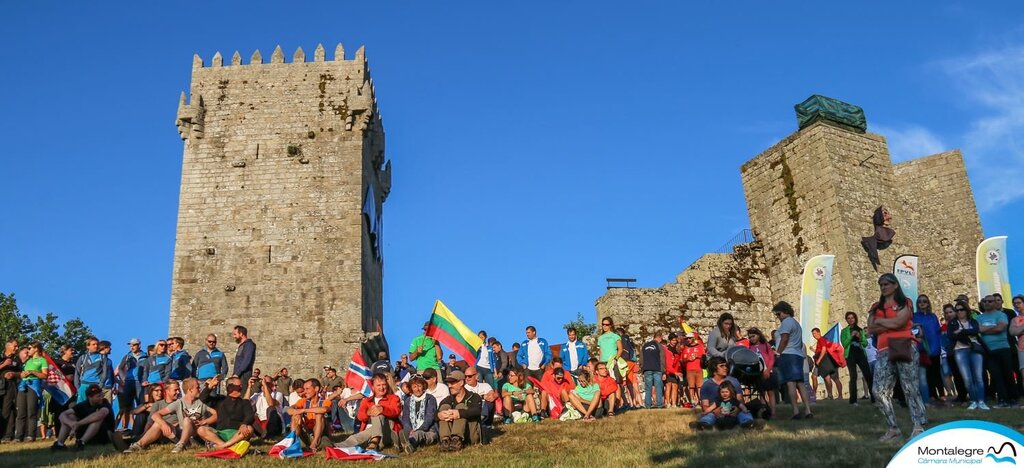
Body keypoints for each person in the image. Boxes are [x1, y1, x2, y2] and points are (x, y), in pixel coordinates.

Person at [867, 273, 927, 441]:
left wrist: (881, 323)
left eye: (887, 284)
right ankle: (893, 427)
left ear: (895, 285)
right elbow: (871, 328)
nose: (883, 287)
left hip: (904, 344)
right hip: (883, 349)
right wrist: (890, 324)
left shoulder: (904, 302)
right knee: (878, 390)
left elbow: (900, 322)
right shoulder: (875, 306)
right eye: (881, 285)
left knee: (910, 387)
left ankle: (918, 425)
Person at [123, 379, 209, 454]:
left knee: (158, 424)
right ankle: (137, 444)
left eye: (179, 390)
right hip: (160, 432)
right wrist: (163, 424)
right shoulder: (158, 404)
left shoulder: (180, 403)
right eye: (175, 390)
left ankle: (136, 443)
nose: (178, 392)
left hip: (176, 432)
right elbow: (150, 421)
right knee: (155, 422)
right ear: (167, 391)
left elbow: (187, 421)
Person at [337, 374, 403, 452]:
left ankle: (375, 440)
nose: (382, 388)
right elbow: (360, 417)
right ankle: (339, 445)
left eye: (384, 385)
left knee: (377, 412)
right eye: (378, 385)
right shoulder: (367, 400)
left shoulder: (393, 398)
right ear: (373, 387)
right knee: (365, 431)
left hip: (387, 430)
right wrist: (368, 413)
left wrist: (383, 409)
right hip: (368, 432)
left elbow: (396, 412)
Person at [773, 301, 813, 420]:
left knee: (790, 383)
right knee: (800, 383)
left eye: (778, 314)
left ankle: (795, 411)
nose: (778, 317)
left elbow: (784, 339)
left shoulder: (786, 322)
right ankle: (808, 410)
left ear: (785, 311)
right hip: (797, 355)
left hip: (787, 355)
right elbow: (799, 342)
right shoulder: (796, 324)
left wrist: (778, 352)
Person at [693, 357, 754, 430]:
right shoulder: (706, 385)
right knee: (709, 417)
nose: (725, 368)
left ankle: (746, 423)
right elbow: (705, 406)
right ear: (714, 369)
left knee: (745, 414)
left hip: (734, 411)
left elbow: (740, 400)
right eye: (722, 366)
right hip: (715, 413)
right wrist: (715, 411)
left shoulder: (734, 381)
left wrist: (737, 410)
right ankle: (704, 424)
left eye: (726, 365)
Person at [196, 375, 255, 449]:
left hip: (237, 433)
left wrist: (244, 424)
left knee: (249, 429)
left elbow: (250, 416)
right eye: (239, 386)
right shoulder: (220, 400)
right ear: (230, 387)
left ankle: (223, 446)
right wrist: (210, 386)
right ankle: (227, 445)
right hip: (221, 434)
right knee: (201, 430)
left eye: (241, 386)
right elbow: (203, 398)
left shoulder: (244, 402)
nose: (241, 388)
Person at [52, 384, 116, 451]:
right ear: (90, 397)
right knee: (70, 416)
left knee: (97, 419)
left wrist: (78, 424)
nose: (101, 398)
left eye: (101, 395)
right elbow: (62, 415)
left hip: (103, 435)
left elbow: (102, 413)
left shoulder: (104, 403)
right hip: (88, 433)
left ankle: (81, 443)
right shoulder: (84, 405)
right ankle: (60, 444)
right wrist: (71, 423)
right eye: (98, 396)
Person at [948, 301, 987, 409]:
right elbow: (951, 336)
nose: (959, 312)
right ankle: (973, 400)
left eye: (961, 309)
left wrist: (961, 332)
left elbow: (976, 331)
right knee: (967, 378)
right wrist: (966, 332)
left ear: (966, 310)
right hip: (960, 350)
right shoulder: (952, 323)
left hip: (974, 350)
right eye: (957, 310)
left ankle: (981, 401)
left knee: (978, 377)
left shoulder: (973, 321)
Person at [978, 295, 1015, 406]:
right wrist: (994, 326)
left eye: (990, 301)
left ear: (995, 303)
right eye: (985, 301)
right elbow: (978, 329)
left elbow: (1000, 328)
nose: (987, 303)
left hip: (1003, 347)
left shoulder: (1001, 315)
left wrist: (985, 330)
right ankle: (1002, 399)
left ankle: (1012, 398)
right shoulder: (979, 318)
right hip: (988, 350)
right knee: (996, 375)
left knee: (1008, 374)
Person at [435, 370, 483, 451]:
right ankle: (445, 441)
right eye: (448, 383)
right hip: (450, 433)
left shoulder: (474, 397)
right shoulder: (447, 400)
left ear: (461, 383)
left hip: (470, 434)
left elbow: (477, 411)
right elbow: (434, 415)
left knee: (461, 407)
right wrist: (439, 415)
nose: (449, 386)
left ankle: (456, 440)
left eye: (452, 383)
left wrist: (459, 413)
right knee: (444, 408)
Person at [913, 295, 945, 404]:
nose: (922, 303)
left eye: (924, 301)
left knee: (936, 372)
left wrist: (938, 347)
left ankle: (942, 394)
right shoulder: (915, 317)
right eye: (920, 301)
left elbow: (937, 331)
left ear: (928, 303)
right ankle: (932, 395)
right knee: (926, 374)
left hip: (934, 347)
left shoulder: (933, 316)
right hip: (921, 348)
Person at [13, 341, 47, 441]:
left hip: (34, 386)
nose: (28, 350)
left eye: (30, 348)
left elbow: (45, 375)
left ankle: (31, 435)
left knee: (31, 411)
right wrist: (22, 374)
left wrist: (33, 372)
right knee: (21, 412)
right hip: (23, 386)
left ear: (36, 349)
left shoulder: (42, 360)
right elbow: (22, 373)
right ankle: (18, 436)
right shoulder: (27, 361)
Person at [288, 378, 332, 451]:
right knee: (296, 416)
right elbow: (289, 410)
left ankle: (314, 443)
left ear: (316, 389)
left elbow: (324, 409)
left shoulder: (325, 401)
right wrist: (299, 412)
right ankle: (292, 443)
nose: (305, 392)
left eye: (307, 389)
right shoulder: (303, 401)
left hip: (322, 434)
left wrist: (304, 410)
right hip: (309, 433)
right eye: (304, 389)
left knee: (319, 414)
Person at [841, 312, 874, 404]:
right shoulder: (844, 331)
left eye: (852, 318)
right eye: (848, 318)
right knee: (853, 376)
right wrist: (851, 336)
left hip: (860, 353)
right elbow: (844, 344)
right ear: (846, 320)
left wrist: (860, 338)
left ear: (855, 319)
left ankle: (874, 397)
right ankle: (853, 400)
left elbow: (865, 344)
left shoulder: (860, 330)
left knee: (868, 374)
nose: (851, 320)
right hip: (850, 354)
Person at [399, 375, 438, 452]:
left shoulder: (430, 398)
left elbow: (429, 418)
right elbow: (406, 419)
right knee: (405, 432)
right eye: (414, 387)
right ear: (411, 388)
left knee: (418, 434)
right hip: (412, 431)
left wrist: (418, 430)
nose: (417, 389)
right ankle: (400, 443)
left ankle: (409, 445)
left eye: (419, 386)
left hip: (429, 431)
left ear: (423, 386)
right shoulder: (408, 401)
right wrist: (410, 430)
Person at [745, 327, 777, 416]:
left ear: (758, 335)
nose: (752, 338)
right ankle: (764, 412)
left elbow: (771, 358)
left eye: (753, 336)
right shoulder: (750, 348)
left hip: (768, 372)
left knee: (771, 392)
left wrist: (768, 370)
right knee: (762, 393)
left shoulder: (766, 345)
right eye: (750, 337)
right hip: (758, 374)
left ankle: (773, 412)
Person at [117, 338, 145, 430]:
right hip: (129, 382)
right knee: (126, 405)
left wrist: (144, 379)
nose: (132, 347)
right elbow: (120, 368)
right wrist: (124, 378)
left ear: (139, 345)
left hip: (139, 383)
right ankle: (124, 428)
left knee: (140, 404)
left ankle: (139, 427)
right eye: (131, 345)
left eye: (134, 345)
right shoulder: (127, 356)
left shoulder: (145, 356)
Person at [74, 337, 109, 403]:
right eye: (93, 344)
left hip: (95, 385)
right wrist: (78, 387)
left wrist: (101, 384)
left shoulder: (102, 357)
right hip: (84, 385)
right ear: (88, 346)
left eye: (97, 344)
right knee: (80, 406)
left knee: (95, 406)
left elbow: (105, 372)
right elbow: (77, 373)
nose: (96, 346)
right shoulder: (83, 357)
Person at [812, 327, 843, 400]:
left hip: (825, 361)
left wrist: (819, 360)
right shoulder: (821, 340)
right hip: (828, 361)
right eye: (813, 334)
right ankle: (832, 395)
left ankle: (835, 395)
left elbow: (824, 349)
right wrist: (813, 350)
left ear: (819, 332)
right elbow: (820, 350)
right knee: (831, 378)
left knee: (829, 378)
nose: (814, 335)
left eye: (815, 333)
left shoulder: (821, 339)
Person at [640, 331, 667, 408]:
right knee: (658, 387)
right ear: (660, 337)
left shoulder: (645, 346)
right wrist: (663, 371)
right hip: (657, 369)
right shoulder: (659, 346)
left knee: (648, 388)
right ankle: (659, 405)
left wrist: (642, 368)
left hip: (647, 369)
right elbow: (662, 359)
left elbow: (641, 359)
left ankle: (648, 405)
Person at [680, 332, 705, 408]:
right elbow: (682, 359)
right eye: (687, 338)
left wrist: (697, 356)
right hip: (689, 369)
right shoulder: (685, 348)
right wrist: (688, 359)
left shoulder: (699, 346)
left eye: (690, 338)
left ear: (693, 338)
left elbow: (704, 356)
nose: (688, 340)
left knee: (699, 386)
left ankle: (701, 401)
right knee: (691, 386)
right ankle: (692, 401)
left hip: (698, 368)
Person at [232, 325, 257, 395]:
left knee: (242, 395)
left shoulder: (249, 345)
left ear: (241, 334)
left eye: (235, 334)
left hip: (244, 376)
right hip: (238, 375)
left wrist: (237, 373)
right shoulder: (242, 345)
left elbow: (246, 361)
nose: (234, 336)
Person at [663, 334, 681, 408]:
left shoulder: (677, 349)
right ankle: (668, 402)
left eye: (675, 340)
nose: (674, 342)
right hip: (668, 370)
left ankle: (674, 403)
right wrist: (673, 372)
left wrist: (677, 372)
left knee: (675, 386)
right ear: (670, 340)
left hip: (675, 371)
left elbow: (677, 362)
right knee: (668, 385)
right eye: (673, 340)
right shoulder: (666, 349)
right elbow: (667, 363)